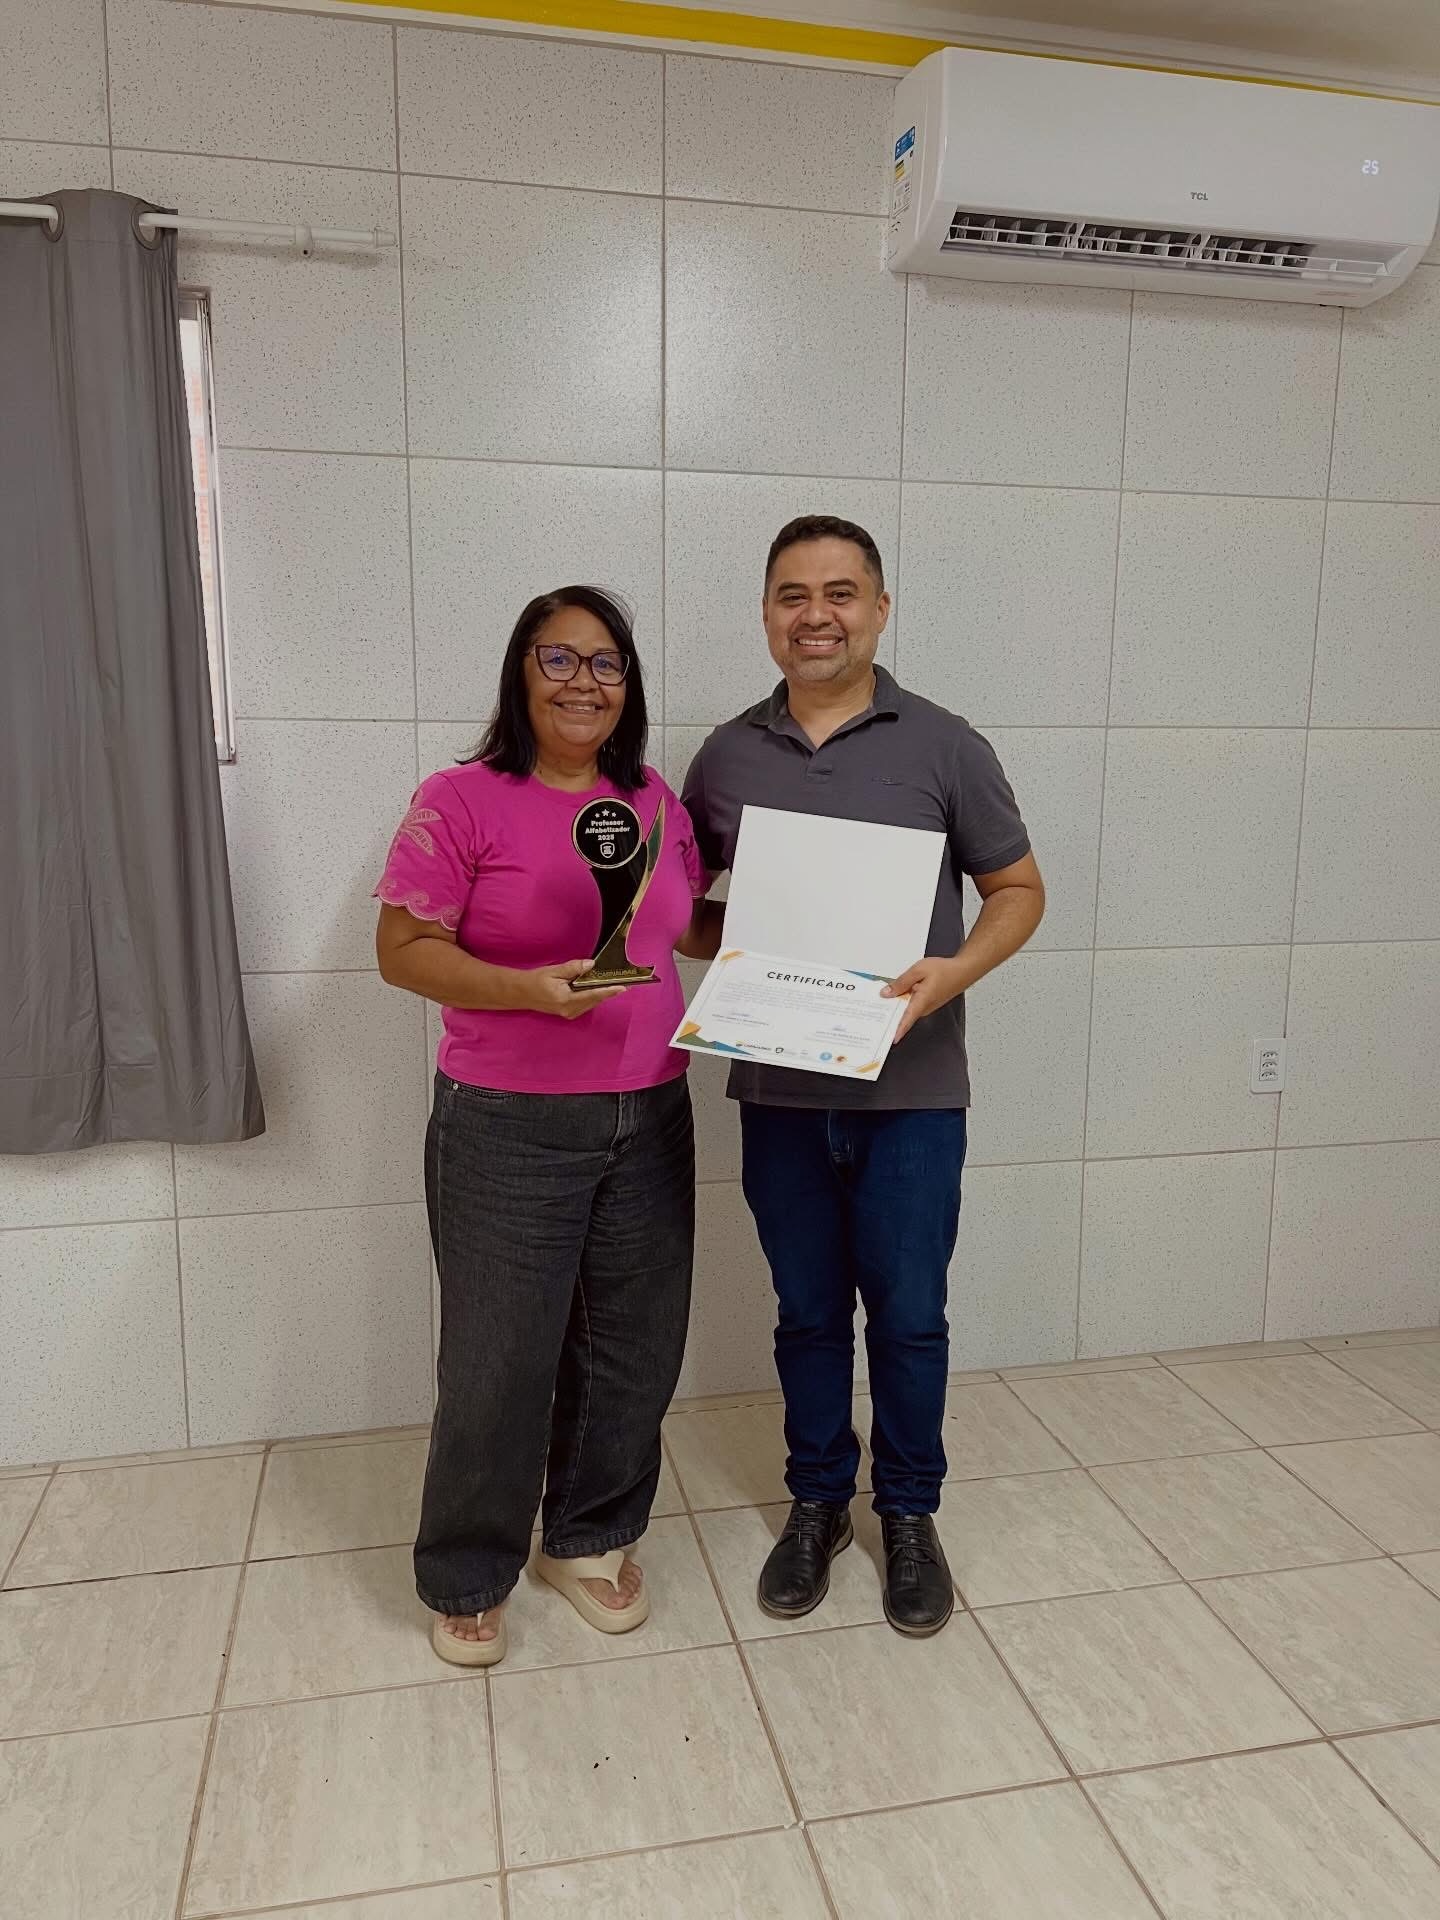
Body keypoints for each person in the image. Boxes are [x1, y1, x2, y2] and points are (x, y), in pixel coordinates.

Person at [681, 516, 1044, 1637]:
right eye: (793, 595)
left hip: (912, 1097)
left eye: (840, 593)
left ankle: (909, 1514)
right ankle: (818, 1504)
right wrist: (736, 948)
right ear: (766, 615)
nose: (817, 615)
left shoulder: (945, 745)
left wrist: (948, 976)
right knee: (805, 1314)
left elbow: (1019, 891)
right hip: (781, 1096)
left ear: (880, 610)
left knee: (910, 1317)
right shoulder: (726, 756)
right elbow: (686, 915)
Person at [374, 585, 707, 1667]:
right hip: (506, 1124)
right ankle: (469, 1568)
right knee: (498, 1360)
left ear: (628, 685)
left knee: (633, 1347)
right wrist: (525, 991)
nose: (583, 682)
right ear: (521, 672)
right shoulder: (462, 798)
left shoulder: (652, 799)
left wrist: (816, 923)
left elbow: (684, 927)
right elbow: (401, 950)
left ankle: (589, 1536)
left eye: (606, 663)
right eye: (558, 659)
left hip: (652, 1108)